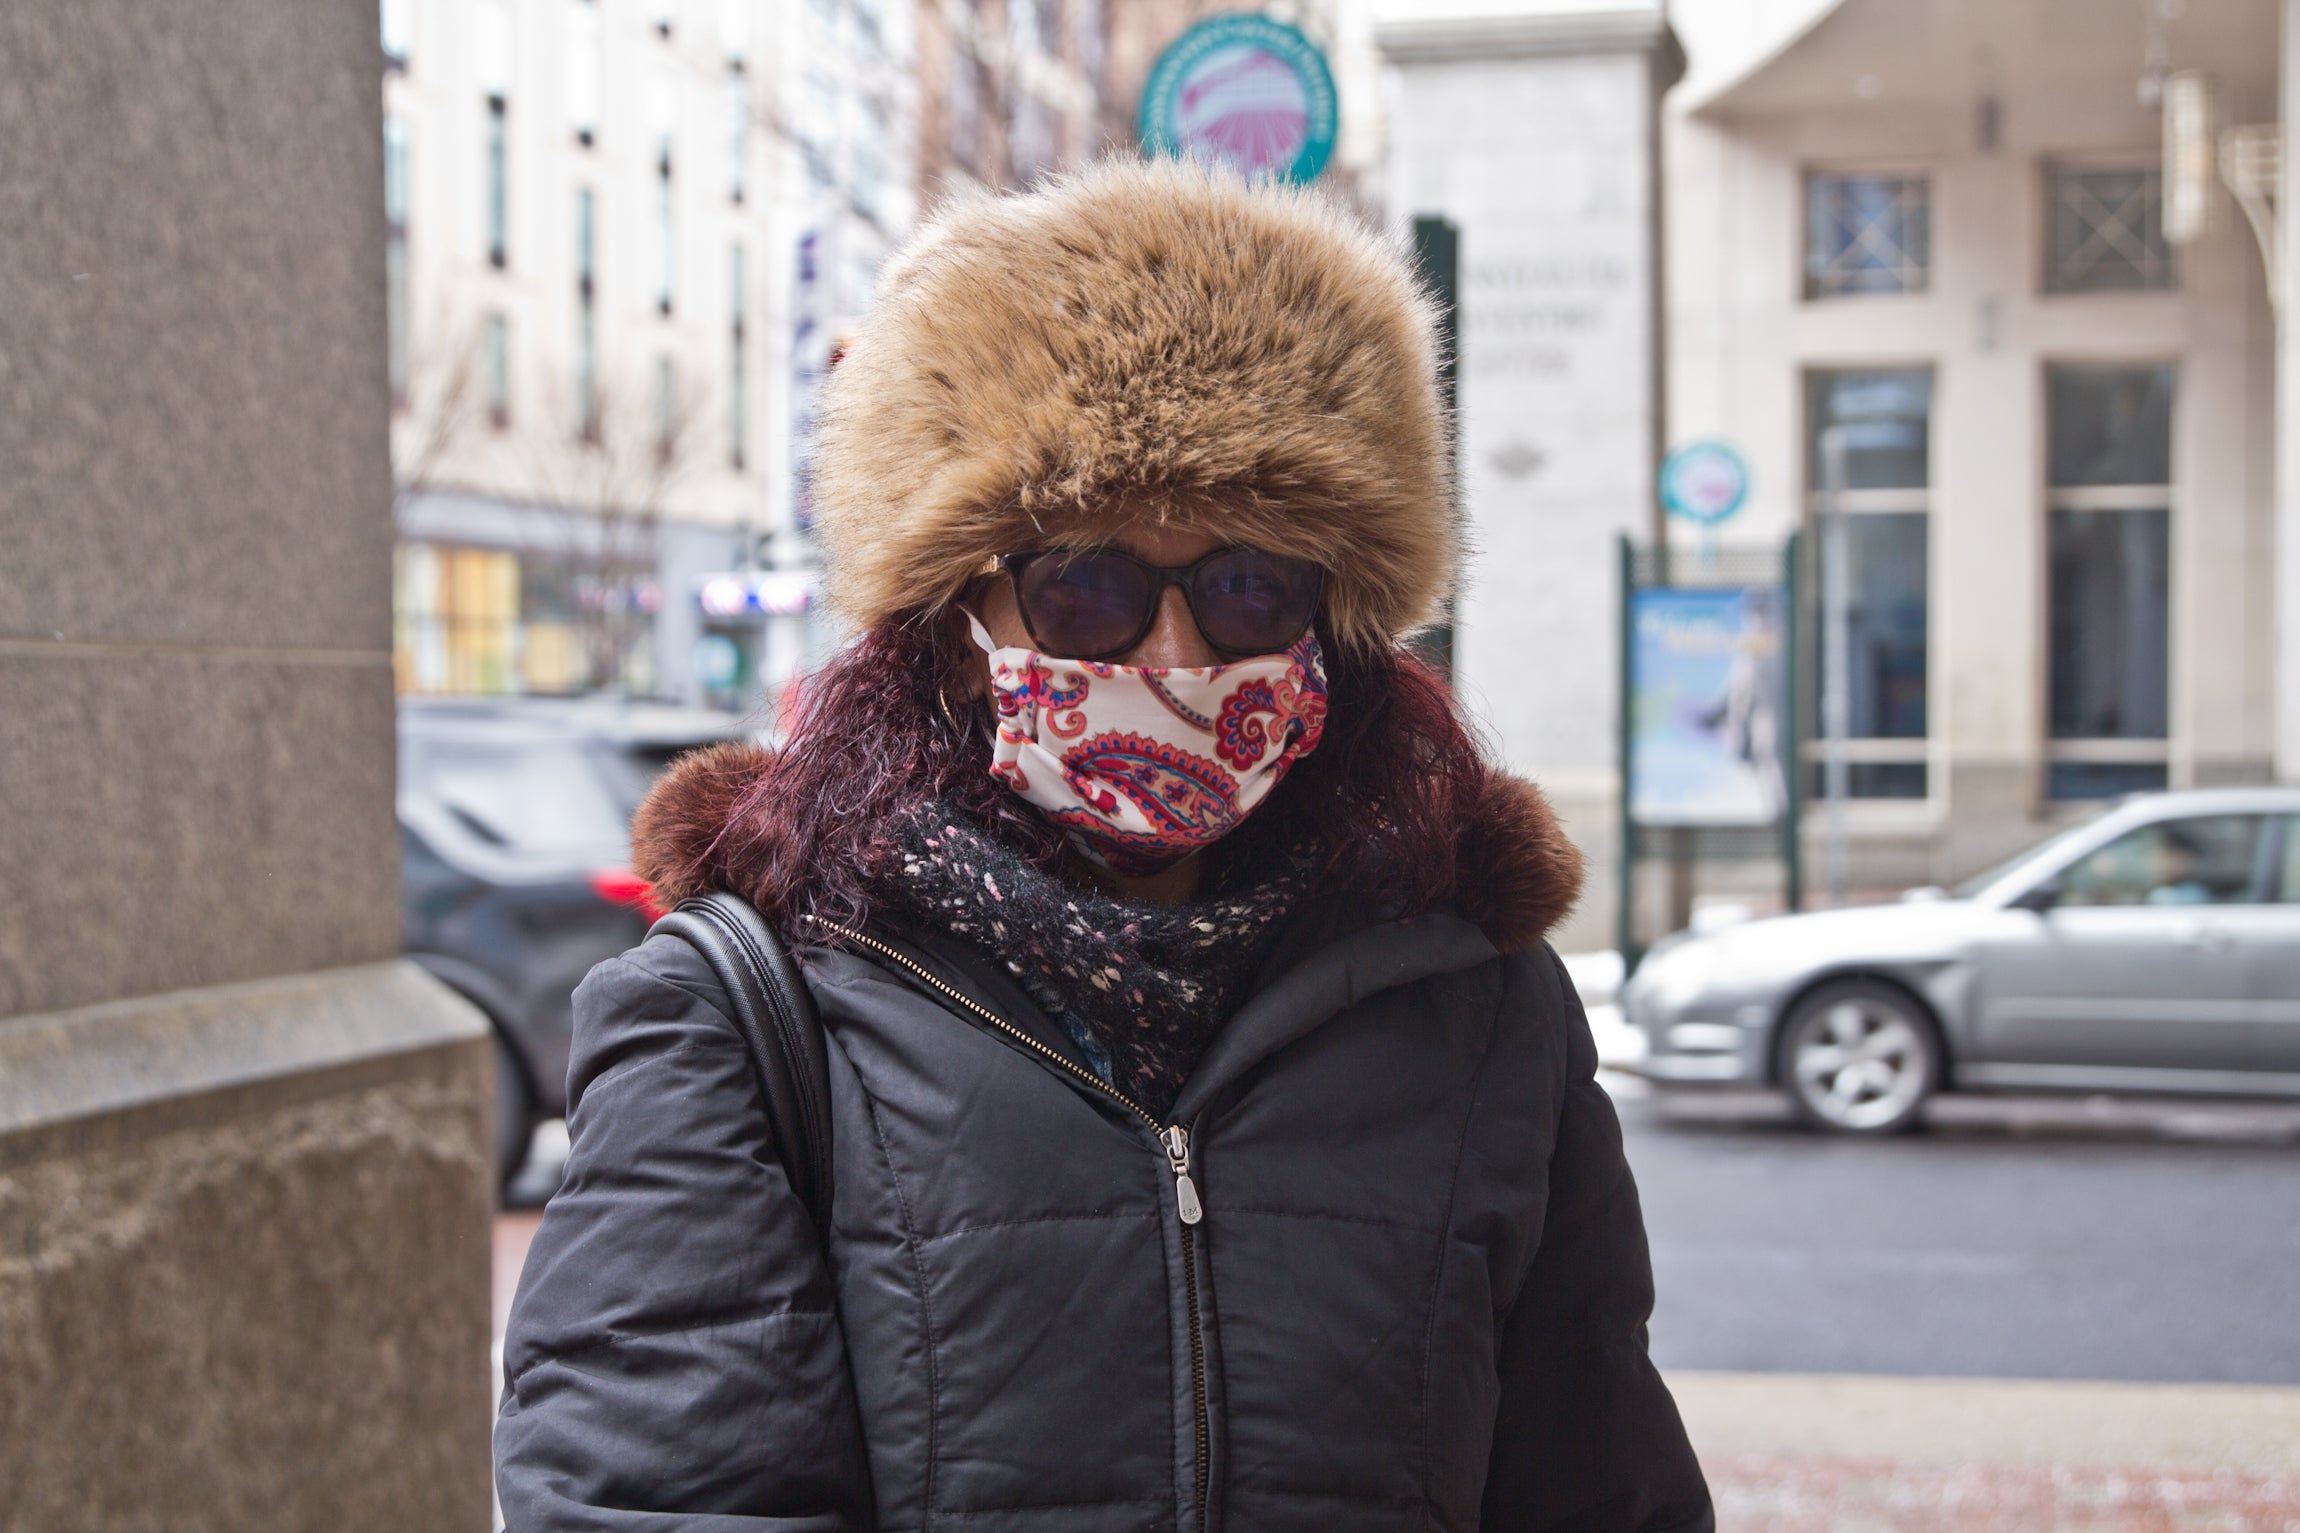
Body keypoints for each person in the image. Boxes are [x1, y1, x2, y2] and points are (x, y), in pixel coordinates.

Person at [495, 158, 1712, 1532]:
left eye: (1249, 584)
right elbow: (656, 1503)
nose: (1176, 653)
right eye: (1088, 586)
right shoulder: (736, 1015)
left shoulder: (1482, 1010)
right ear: (956, 626)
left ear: (1336, 625)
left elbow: (1600, 1486)